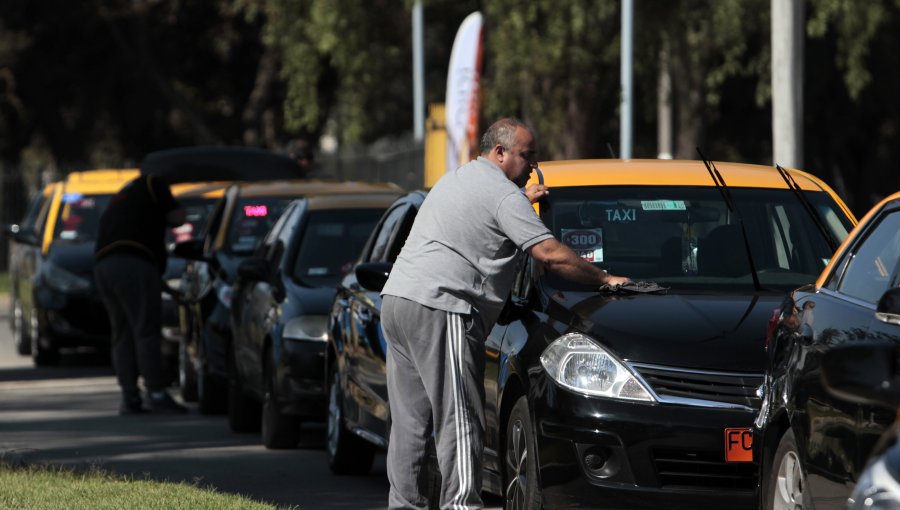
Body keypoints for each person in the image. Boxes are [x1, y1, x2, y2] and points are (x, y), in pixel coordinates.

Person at [380, 117, 630, 509]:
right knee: (460, 421)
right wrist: (604, 278)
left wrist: (520, 196)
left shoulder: (458, 178)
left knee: (410, 423)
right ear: (500, 152)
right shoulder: (501, 194)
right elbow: (547, 254)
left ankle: (404, 505)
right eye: (527, 156)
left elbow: (485, 217)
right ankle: (462, 505)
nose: (532, 165)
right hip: (441, 306)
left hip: (398, 301)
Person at [94, 174, 188, 415]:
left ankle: (129, 396)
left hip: (104, 266)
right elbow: (178, 218)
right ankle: (156, 393)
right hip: (133, 261)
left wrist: (164, 287)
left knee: (121, 333)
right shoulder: (155, 183)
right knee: (146, 331)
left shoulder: (125, 195)